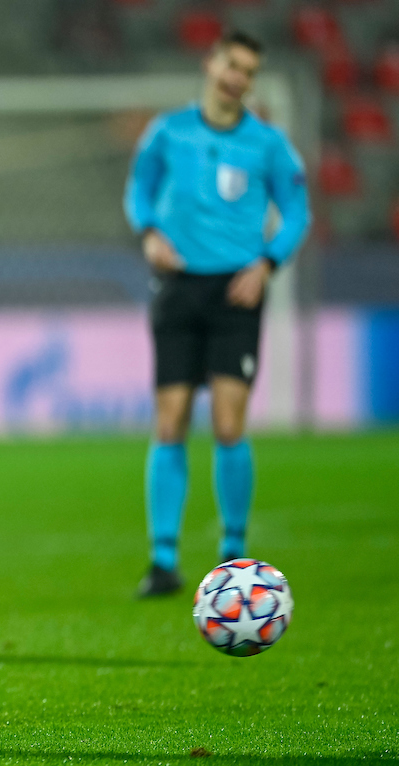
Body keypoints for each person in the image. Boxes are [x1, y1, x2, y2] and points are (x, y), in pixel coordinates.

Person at [123, 30, 310, 596]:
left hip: (236, 293)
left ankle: (233, 555)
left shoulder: (269, 145)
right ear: (211, 64)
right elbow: (138, 190)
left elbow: (297, 212)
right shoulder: (168, 131)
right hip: (178, 287)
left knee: (229, 423)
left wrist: (268, 263)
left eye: (248, 72)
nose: (238, 78)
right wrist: (149, 232)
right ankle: (163, 561)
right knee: (170, 420)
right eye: (233, 65)